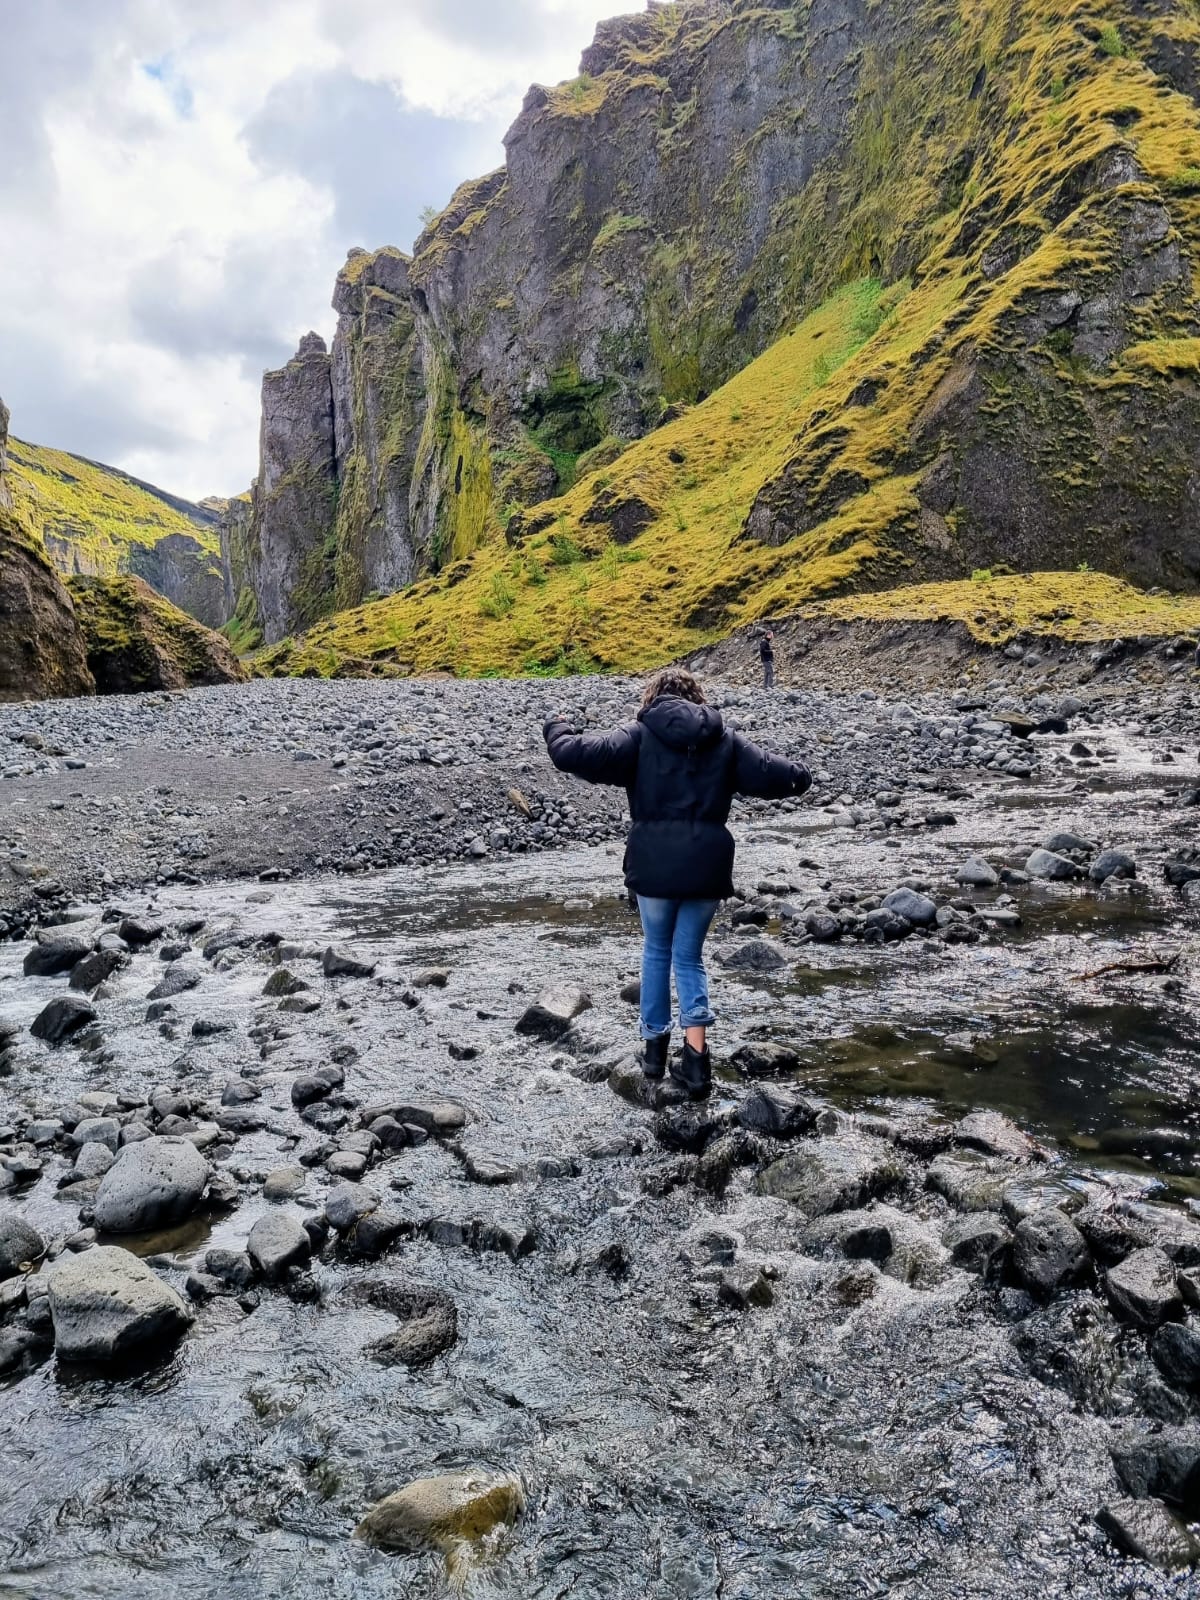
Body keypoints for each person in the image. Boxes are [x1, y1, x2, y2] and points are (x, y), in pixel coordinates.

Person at [543, 667, 810, 1098]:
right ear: (697, 699)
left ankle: (653, 1054)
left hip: (653, 865)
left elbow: (574, 752)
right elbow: (777, 774)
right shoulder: (725, 739)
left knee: (656, 953)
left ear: (653, 698)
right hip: (707, 867)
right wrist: (802, 773)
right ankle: (697, 1061)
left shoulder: (638, 735)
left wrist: (556, 724)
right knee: (689, 959)